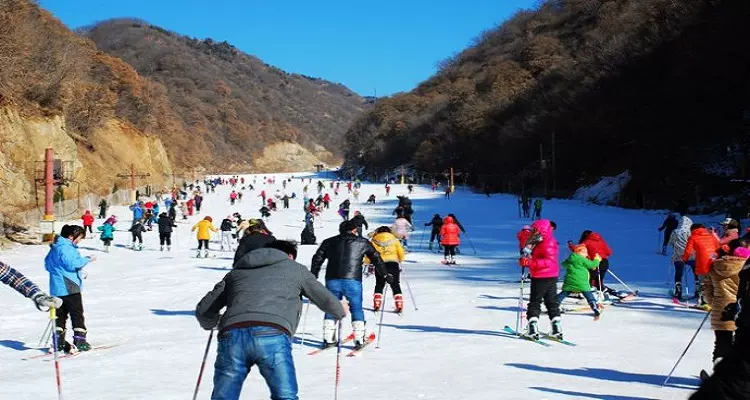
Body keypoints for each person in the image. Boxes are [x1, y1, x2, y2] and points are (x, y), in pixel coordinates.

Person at [196, 240, 347, 400]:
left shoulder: (235, 273)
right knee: (285, 395)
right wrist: (339, 310)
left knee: (224, 396)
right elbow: (324, 298)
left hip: (232, 335)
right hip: (273, 332)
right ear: (289, 256)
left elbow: (204, 310)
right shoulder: (295, 269)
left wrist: (214, 323)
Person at [311, 220, 390, 349]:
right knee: (356, 307)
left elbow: (318, 258)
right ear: (354, 230)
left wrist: (313, 273)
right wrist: (385, 274)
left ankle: (328, 337)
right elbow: (376, 258)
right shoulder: (362, 242)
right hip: (353, 279)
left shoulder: (329, 241)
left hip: (332, 279)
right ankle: (359, 339)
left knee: (331, 306)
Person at [45, 225, 96, 352]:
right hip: (70, 286)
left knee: (59, 315)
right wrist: (87, 259)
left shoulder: (54, 247)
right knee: (76, 313)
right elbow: (73, 263)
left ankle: (58, 342)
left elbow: (47, 264)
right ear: (71, 236)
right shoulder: (66, 248)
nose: (80, 240)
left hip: (56, 287)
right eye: (79, 238)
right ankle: (80, 341)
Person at [702, 239, 748, 366]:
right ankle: (736, 374)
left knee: (722, 342)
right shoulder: (746, 267)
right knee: (742, 345)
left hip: (721, 310)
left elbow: (706, 290)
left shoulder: (715, 266)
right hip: (743, 310)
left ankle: (718, 371)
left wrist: (714, 302)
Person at [518, 219, 560, 340]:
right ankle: (556, 328)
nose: (534, 231)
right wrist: (525, 259)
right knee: (551, 302)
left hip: (543, 276)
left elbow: (548, 261)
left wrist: (530, 263)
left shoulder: (547, 242)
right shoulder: (540, 240)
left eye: (535, 229)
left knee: (535, 302)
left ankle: (532, 329)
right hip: (549, 275)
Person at [555, 244, 602, 320]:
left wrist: (566, 262)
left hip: (570, 281)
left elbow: (563, 264)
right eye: (585, 253)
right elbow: (592, 265)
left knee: (564, 293)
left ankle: (555, 304)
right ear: (580, 252)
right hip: (582, 282)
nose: (586, 254)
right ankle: (594, 307)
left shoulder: (570, 258)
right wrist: (597, 260)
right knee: (588, 295)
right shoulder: (583, 259)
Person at [367, 226, 406, 312]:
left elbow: (370, 253)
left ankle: (377, 302)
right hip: (393, 263)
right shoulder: (395, 240)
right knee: (395, 283)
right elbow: (401, 252)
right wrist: (400, 259)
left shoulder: (374, 240)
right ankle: (399, 303)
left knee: (379, 284)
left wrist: (368, 262)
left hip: (379, 264)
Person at [683, 223, 721, 306]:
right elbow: (719, 247)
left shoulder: (693, 237)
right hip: (714, 261)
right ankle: (713, 301)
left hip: (702, 262)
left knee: (702, 282)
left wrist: (684, 259)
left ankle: (703, 301)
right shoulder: (711, 235)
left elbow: (688, 251)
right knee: (712, 281)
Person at [578, 230, 613, 301]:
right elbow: (609, 252)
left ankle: (587, 296)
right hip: (604, 262)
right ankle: (602, 295)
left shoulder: (586, 242)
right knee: (599, 280)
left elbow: (578, 251)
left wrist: (571, 246)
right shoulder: (601, 241)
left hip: (594, 262)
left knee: (589, 279)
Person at [670, 215, 696, 299]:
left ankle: (678, 292)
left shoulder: (675, 231)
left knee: (678, 274)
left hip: (679, 256)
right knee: (696, 273)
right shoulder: (692, 232)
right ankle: (698, 291)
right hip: (691, 255)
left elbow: (671, 243)